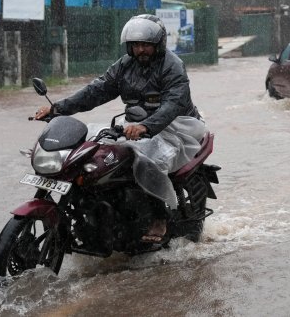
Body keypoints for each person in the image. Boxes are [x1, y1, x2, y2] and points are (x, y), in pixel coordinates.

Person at [35, 14, 204, 243]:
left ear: (158, 45)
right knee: (91, 149)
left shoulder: (172, 66)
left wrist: (147, 126)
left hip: (175, 126)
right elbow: (97, 90)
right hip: (136, 124)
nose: (141, 50)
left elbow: (173, 104)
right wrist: (57, 109)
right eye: (136, 45)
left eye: (146, 45)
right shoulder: (125, 65)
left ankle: (159, 217)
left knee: (147, 158)